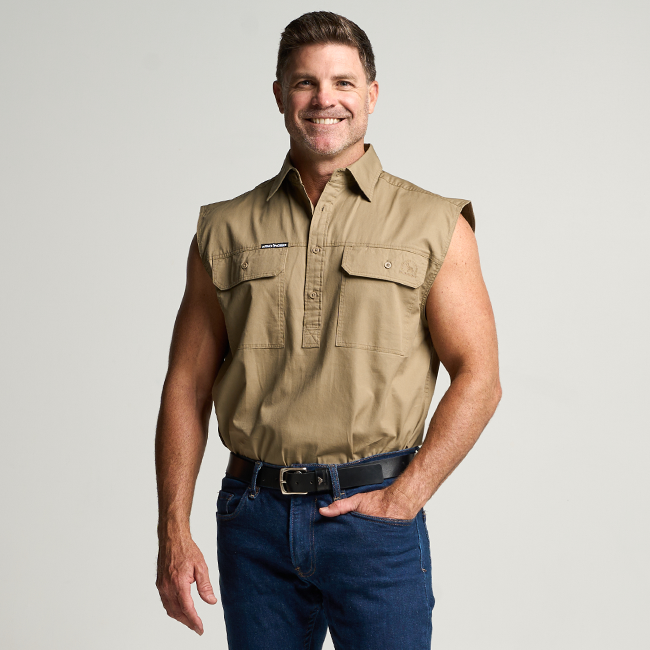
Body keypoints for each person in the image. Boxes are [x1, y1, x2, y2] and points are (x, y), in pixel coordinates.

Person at [155, 10, 501, 650]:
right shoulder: (224, 229)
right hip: (252, 522)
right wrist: (173, 529)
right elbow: (186, 384)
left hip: (373, 521)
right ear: (280, 95)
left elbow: (480, 378)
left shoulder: (435, 223)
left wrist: (405, 498)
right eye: (305, 82)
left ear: (372, 94)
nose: (325, 99)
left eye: (343, 82)